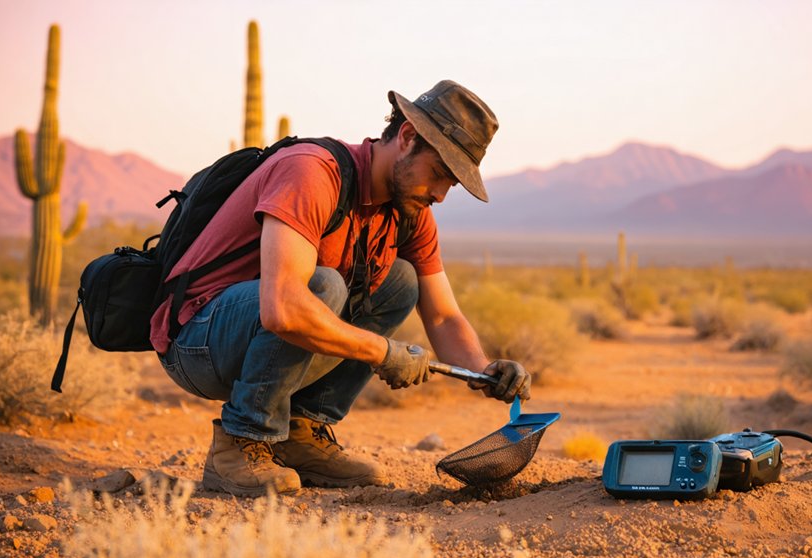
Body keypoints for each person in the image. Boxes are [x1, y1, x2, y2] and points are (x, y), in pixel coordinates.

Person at [150, 80, 531, 497]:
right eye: (439, 173)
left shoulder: (410, 211)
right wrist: (383, 353)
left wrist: (483, 369)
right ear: (406, 138)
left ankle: (301, 431)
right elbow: (283, 308)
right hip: (197, 341)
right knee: (321, 286)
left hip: (255, 337)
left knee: (401, 283)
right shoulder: (313, 172)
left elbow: (442, 315)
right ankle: (240, 442)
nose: (440, 193)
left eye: (451, 185)